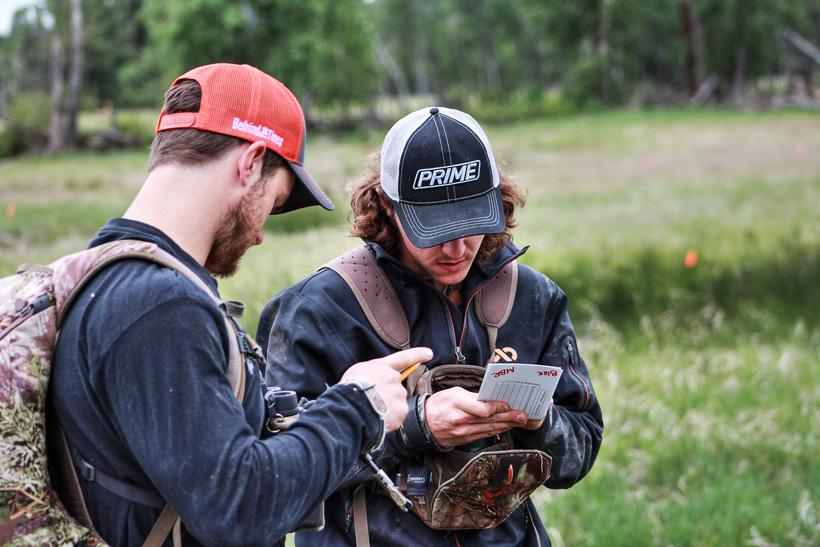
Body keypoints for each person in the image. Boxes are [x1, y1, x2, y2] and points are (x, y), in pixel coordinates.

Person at [48, 63, 432, 546]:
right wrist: (360, 408)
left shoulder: (105, 277)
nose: (261, 233)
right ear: (250, 161)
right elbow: (238, 510)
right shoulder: (158, 307)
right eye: (273, 201)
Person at [257, 106, 604, 546]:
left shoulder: (533, 299)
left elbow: (581, 453)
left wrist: (537, 422)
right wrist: (415, 428)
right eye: (435, 229)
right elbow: (277, 472)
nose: (457, 248)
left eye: (473, 223)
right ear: (385, 204)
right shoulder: (317, 310)